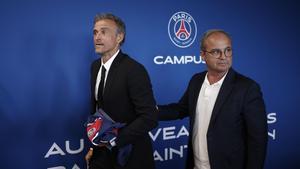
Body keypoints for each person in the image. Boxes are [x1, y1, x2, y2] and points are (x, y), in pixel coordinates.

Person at [158, 29, 268, 169]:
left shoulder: (247, 88)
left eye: (228, 50)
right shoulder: (196, 80)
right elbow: (181, 109)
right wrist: (151, 110)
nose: (224, 56)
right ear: (203, 55)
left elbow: (258, 141)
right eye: (216, 52)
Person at [85, 13, 158, 169]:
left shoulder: (134, 70)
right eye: (95, 32)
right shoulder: (95, 67)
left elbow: (150, 118)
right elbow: (97, 111)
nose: (97, 37)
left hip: (130, 153)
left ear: (119, 37)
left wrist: (114, 140)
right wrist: (93, 146)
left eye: (103, 32)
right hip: (101, 153)